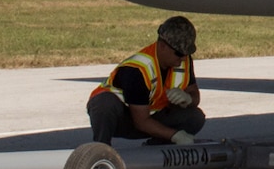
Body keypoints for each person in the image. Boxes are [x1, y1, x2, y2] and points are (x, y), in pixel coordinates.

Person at [88, 16, 205, 148]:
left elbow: (194, 94)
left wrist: (189, 99)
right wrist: (175, 135)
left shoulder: (184, 61)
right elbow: (141, 122)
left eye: (187, 53)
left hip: (152, 116)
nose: (183, 58)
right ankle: (101, 150)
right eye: (179, 53)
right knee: (104, 103)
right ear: (162, 46)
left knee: (195, 117)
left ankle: (158, 150)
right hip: (124, 120)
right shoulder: (137, 69)